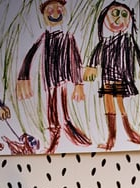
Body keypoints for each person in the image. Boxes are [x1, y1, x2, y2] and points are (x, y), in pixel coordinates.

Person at [16, 0, 91, 154]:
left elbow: (76, 60)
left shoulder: (68, 37)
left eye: (59, 9)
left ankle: (67, 126)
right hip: (49, 78)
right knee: (51, 104)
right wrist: (23, 76)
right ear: (43, 15)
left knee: (62, 104)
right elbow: (29, 55)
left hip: (63, 78)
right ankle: (54, 134)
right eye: (50, 10)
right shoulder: (45, 37)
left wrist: (78, 84)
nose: (55, 13)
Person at [83, 2, 140, 150]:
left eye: (123, 15)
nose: (119, 20)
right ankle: (112, 139)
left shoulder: (128, 40)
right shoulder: (105, 41)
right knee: (109, 104)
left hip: (121, 77)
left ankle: (129, 132)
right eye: (114, 14)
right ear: (104, 19)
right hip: (107, 77)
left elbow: (139, 55)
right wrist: (91, 67)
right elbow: (96, 54)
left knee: (120, 104)